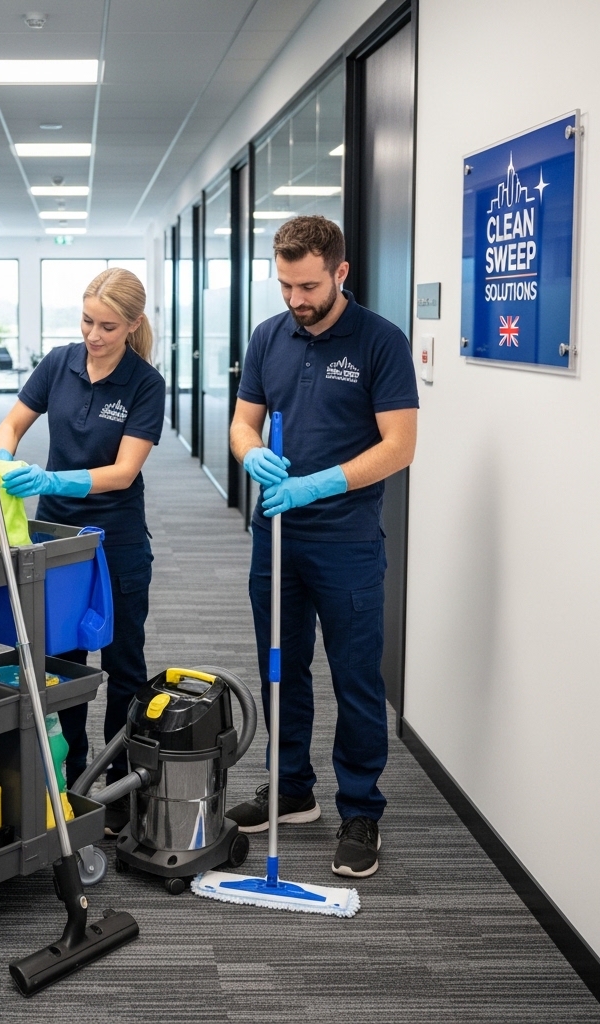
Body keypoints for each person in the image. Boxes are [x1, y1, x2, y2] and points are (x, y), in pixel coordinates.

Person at [227, 216, 419, 878]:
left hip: (346, 541)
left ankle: (361, 808)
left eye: (306, 285)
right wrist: (252, 457)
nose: (294, 299)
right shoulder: (268, 336)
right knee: (282, 667)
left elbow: (400, 445)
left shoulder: (379, 342)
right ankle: (292, 789)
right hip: (275, 534)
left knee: (356, 677)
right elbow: (242, 424)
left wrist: (316, 486)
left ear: (339, 272)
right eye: (284, 284)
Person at [0, 268, 165, 834]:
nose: (93, 334)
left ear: (133, 325)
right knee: (63, 661)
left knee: (123, 662)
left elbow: (123, 472)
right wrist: (3, 457)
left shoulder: (145, 384)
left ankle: (115, 784)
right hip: (60, 541)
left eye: (107, 326)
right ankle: (69, 780)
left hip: (116, 539)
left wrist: (56, 480)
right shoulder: (60, 362)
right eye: (87, 320)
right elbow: (12, 423)